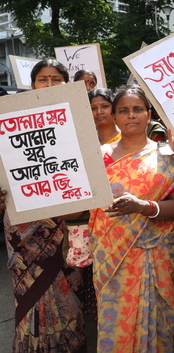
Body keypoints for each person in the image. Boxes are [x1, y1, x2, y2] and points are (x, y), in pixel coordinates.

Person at [87, 85, 174, 352]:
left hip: (157, 255)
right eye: (124, 111)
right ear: (114, 117)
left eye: (138, 109)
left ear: (149, 114)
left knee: (161, 327)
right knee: (115, 328)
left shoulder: (166, 154)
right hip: (112, 258)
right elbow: (86, 208)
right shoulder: (98, 157)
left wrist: (142, 206)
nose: (131, 116)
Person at [2, 58, 87, 352]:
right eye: (42, 79)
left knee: (69, 289)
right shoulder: (10, 122)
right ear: (32, 85)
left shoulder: (80, 122)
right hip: (23, 227)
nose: (49, 85)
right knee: (30, 293)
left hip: (67, 223)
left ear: (67, 85)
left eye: (56, 79)